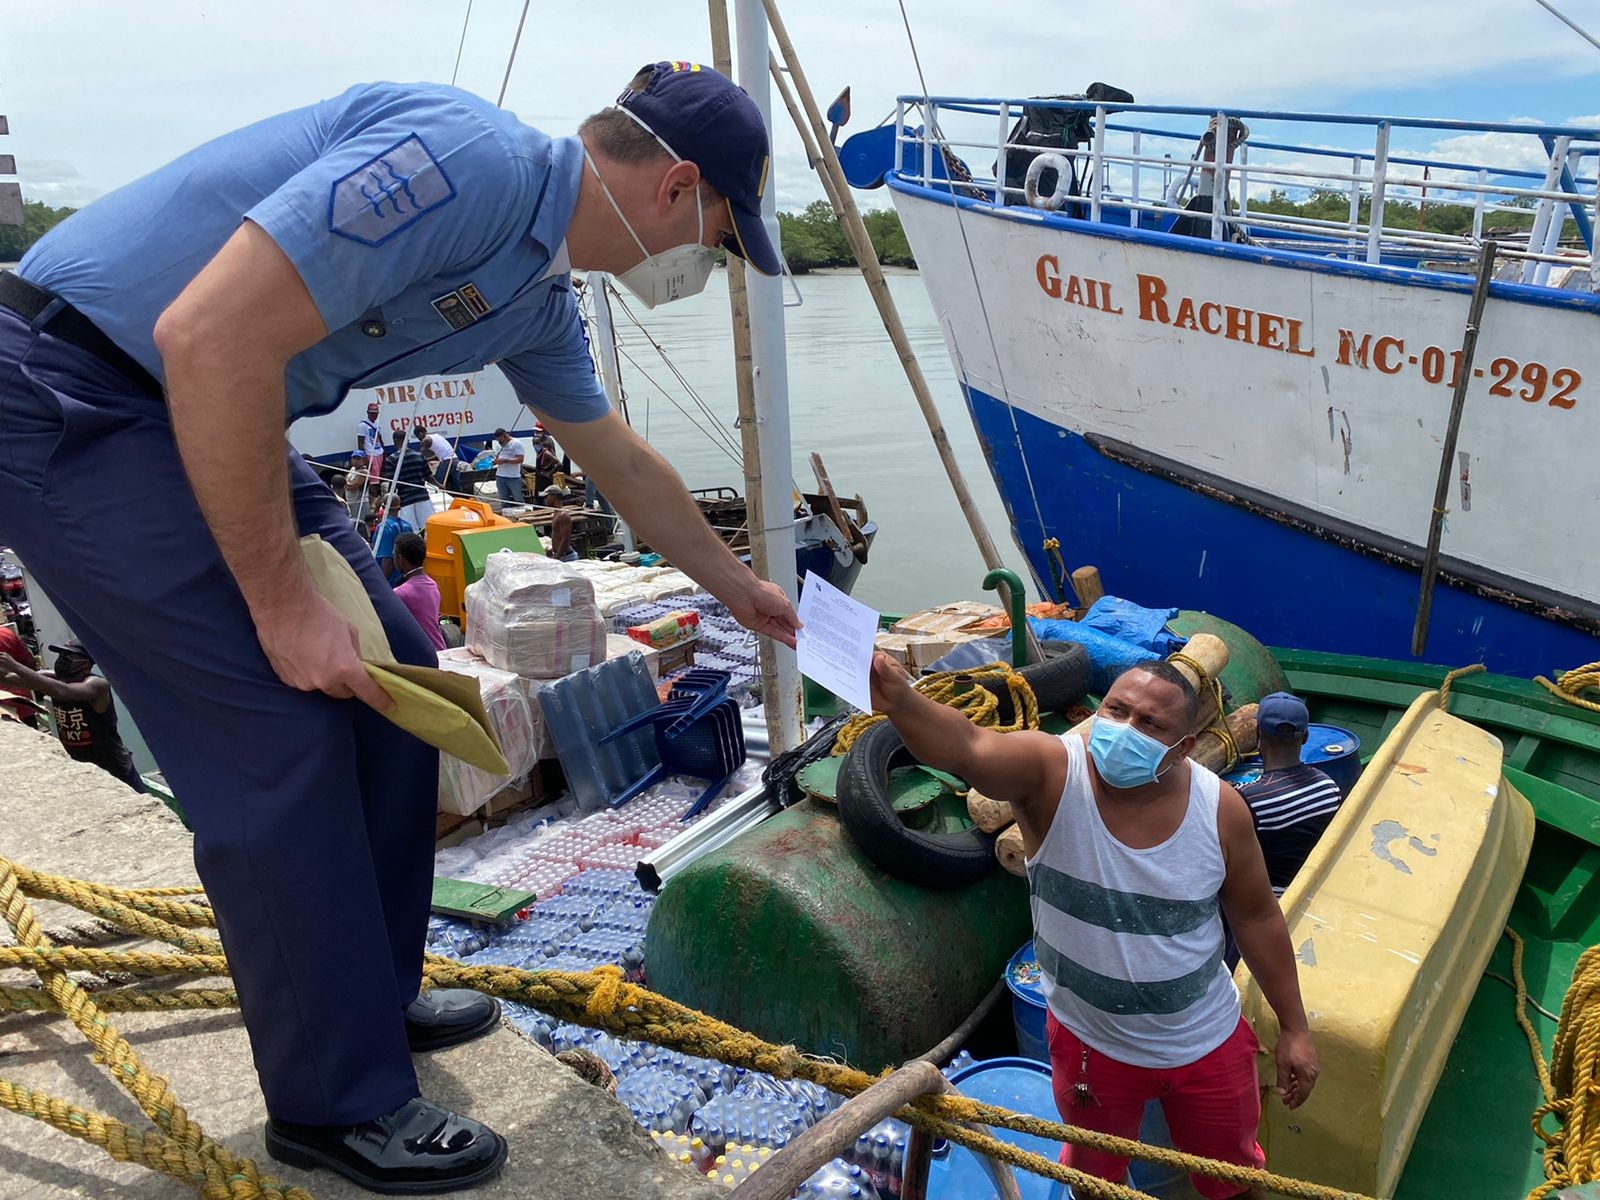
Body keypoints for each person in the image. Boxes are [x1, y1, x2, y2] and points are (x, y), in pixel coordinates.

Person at [0, 59, 796, 1194]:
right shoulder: (469, 161)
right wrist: (281, 613)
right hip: (75, 394)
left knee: (404, 679)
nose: (705, 262)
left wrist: (734, 586)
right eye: (721, 233)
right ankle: (336, 1102)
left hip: (205, 403)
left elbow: (617, 458)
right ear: (675, 187)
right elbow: (207, 336)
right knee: (279, 737)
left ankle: (367, 990)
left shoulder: (534, 288)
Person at [868, 655, 1317, 1199]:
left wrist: (1293, 1027)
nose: (1125, 730)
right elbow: (968, 746)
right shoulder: (1051, 772)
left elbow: (1256, 915)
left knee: (1233, 1180)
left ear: (1184, 749)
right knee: (1091, 1181)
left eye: (1150, 724)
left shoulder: (1220, 808)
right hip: (1090, 1047)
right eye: (1117, 709)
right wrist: (901, 699)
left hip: (1206, 1041)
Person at [1237, 692, 1344, 896]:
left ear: (1258, 734)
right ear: (1305, 737)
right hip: (1311, 893)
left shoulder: (1247, 799)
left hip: (1268, 904)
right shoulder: (1329, 787)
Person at [0, 640, 144, 790]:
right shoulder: (54, 679)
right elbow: (9, 679)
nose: (62, 660)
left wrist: (16, 666)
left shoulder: (97, 685)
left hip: (113, 766)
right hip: (83, 766)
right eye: (61, 655)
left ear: (86, 663)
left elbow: (64, 691)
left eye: (69, 656)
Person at [390, 534, 445, 653]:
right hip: (439, 649)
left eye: (394, 554)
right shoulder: (432, 585)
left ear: (401, 559)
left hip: (423, 655)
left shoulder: (401, 593)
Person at [387, 426, 433, 533]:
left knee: (411, 533)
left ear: (394, 442)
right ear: (407, 441)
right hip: (423, 498)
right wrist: (440, 486)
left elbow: (392, 485)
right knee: (429, 531)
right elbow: (428, 477)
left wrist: (388, 502)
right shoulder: (419, 456)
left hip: (405, 501)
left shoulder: (391, 460)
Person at [372, 497, 414, 586]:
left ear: (383, 507)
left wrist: (380, 585)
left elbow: (387, 560)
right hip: (405, 580)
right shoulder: (408, 526)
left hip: (390, 582)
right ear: (399, 508)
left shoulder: (384, 527)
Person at [415, 425, 457, 491]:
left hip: (446, 461)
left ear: (420, 434)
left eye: (418, 437)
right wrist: (429, 459)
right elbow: (441, 452)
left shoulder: (425, 440)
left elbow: (420, 456)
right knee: (455, 484)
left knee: (437, 483)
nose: (419, 440)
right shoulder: (437, 436)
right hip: (455, 459)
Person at [492, 427, 527, 506]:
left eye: (500, 440)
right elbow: (497, 458)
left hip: (513, 477)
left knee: (518, 499)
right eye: (497, 441)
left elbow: (520, 459)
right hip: (500, 476)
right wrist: (495, 462)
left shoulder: (516, 443)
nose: (499, 442)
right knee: (504, 501)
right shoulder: (499, 446)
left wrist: (505, 460)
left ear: (505, 436)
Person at [357, 400, 385, 477]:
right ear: (368, 412)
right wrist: (364, 458)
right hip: (370, 454)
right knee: (373, 479)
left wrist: (383, 452)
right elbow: (360, 443)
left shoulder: (377, 424)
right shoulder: (362, 425)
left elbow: (380, 439)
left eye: (375, 413)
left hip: (379, 452)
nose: (374, 415)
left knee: (378, 477)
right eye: (372, 413)